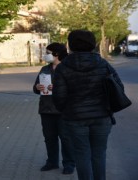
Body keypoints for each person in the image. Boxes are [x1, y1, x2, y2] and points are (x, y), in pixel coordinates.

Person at [52, 30, 122, 180]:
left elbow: (58, 97)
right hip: (102, 116)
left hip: (75, 119)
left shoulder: (62, 68)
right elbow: (118, 88)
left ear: (70, 45)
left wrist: (67, 112)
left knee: (81, 154)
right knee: (99, 153)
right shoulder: (103, 64)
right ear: (92, 44)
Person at [33, 43, 75, 174]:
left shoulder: (68, 69)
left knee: (66, 138)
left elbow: (75, 89)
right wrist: (37, 87)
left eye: (48, 52)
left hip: (64, 110)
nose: (45, 55)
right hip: (46, 109)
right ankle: (52, 162)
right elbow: (35, 88)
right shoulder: (44, 69)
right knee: (49, 138)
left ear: (56, 54)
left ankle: (69, 164)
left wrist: (59, 88)